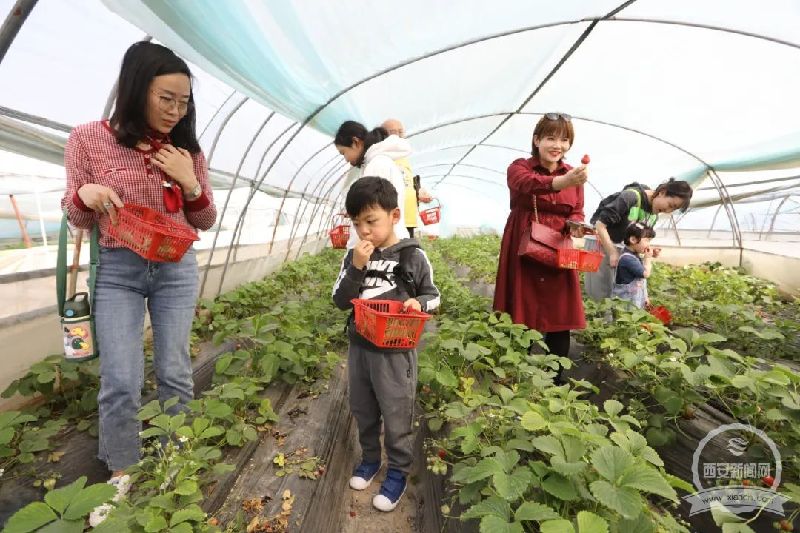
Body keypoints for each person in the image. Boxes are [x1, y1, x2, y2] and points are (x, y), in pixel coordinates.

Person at [61, 41, 216, 525]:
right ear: (136, 89)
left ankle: (173, 461)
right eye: (165, 98)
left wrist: (189, 181)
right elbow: (74, 210)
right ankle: (122, 471)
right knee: (122, 379)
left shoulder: (185, 149)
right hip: (119, 270)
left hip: (174, 268)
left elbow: (205, 218)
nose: (175, 110)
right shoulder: (89, 138)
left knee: (174, 370)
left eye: (184, 101)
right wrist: (85, 192)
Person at [332, 177, 440, 512]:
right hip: (360, 348)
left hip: (395, 351)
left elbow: (432, 296)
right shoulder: (354, 257)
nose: (364, 231)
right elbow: (340, 300)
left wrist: (418, 304)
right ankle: (370, 459)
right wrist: (356, 269)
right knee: (363, 408)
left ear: (394, 216)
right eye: (357, 223)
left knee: (396, 411)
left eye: (371, 221)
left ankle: (398, 470)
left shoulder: (412, 255)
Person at [493, 113, 588, 383]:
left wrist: (577, 225)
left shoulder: (574, 176)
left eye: (564, 139)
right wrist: (561, 183)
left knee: (560, 315)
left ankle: (556, 382)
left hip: (558, 246)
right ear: (537, 140)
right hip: (525, 243)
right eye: (550, 137)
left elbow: (578, 209)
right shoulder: (520, 167)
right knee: (523, 310)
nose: (557, 144)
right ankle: (520, 378)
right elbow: (525, 184)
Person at [585, 178, 692, 301]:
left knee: (618, 295)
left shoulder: (653, 214)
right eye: (670, 205)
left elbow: (639, 240)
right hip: (601, 245)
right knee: (601, 294)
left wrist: (647, 249)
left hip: (622, 251)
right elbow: (600, 225)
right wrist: (612, 251)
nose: (668, 211)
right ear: (662, 192)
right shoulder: (631, 197)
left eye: (673, 210)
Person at [334, 121, 410, 247]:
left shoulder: (377, 165)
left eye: (344, 152)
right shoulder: (374, 163)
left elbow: (374, 211)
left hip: (383, 246)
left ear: (355, 142)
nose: (346, 159)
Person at [381, 118, 433, 238]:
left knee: (406, 254)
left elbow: (407, 183)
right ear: (382, 135)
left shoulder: (404, 157)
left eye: (401, 132)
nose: (398, 136)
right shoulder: (383, 157)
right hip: (393, 220)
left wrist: (419, 192)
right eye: (393, 132)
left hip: (408, 218)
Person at [612, 223, 656, 309]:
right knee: (626, 321)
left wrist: (645, 297)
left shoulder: (635, 255)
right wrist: (647, 259)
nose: (648, 245)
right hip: (626, 305)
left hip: (635, 302)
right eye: (647, 240)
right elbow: (645, 274)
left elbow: (642, 281)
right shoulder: (627, 259)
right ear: (633, 240)